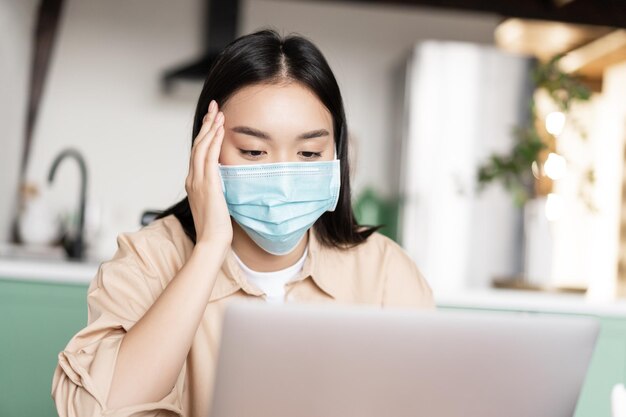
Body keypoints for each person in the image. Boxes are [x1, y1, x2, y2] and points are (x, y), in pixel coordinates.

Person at [51, 28, 435, 417]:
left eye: (308, 152)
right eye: (253, 151)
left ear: (335, 156)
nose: (283, 179)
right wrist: (209, 249)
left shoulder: (385, 272)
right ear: (207, 148)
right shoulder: (148, 260)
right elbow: (95, 411)